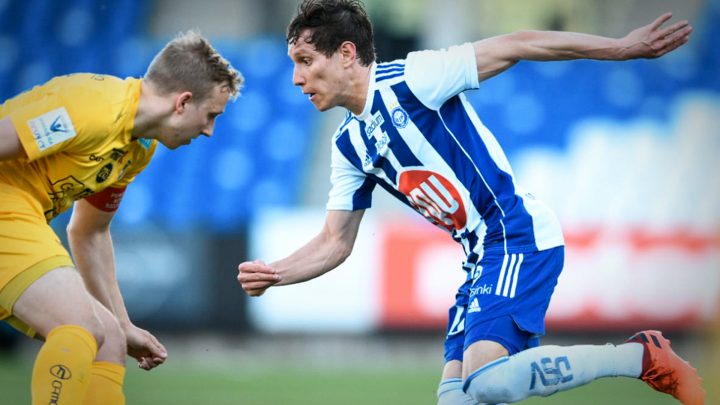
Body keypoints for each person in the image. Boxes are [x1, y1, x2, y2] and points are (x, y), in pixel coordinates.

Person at [237, 0, 704, 404]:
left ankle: (637, 357)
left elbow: (518, 43)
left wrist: (619, 48)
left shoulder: (413, 79)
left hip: (516, 235)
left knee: (488, 383)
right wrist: (277, 273)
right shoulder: (347, 146)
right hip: (480, 258)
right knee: (459, 400)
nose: (296, 79)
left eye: (303, 60)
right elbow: (334, 242)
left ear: (345, 54)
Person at [0, 30, 242, 404]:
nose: (209, 130)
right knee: (76, 323)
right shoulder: (92, 108)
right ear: (183, 102)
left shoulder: (136, 148)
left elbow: (90, 232)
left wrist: (123, 322)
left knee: (108, 339)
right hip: (6, 208)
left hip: (22, 217)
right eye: (211, 115)